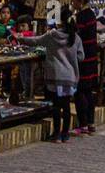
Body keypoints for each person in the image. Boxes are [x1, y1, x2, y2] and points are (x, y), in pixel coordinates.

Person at [17, 8, 83, 142]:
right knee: (66, 106)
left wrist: (20, 38)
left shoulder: (52, 35)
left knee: (56, 107)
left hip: (54, 77)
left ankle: (56, 134)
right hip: (69, 78)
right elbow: (81, 57)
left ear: (59, 21)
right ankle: (65, 134)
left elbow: (35, 41)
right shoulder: (76, 38)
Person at [68, 0, 105, 136]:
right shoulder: (90, 14)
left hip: (83, 59)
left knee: (80, 92)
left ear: (81, 0)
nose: (72, 3)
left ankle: (82, 124)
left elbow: (76, 36)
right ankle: (91, 124)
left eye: (73, 0)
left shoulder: (82, 17)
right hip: (91, 57)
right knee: (88, 92)